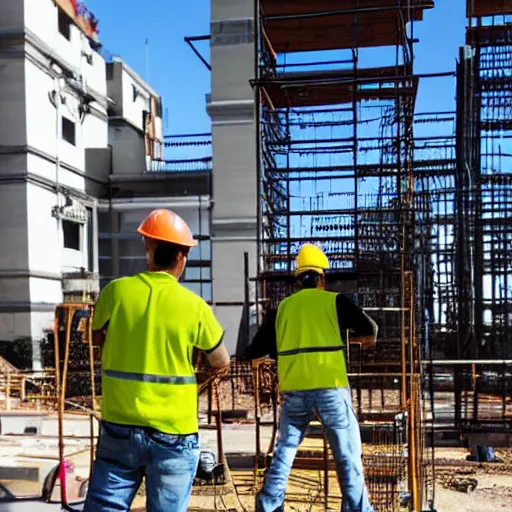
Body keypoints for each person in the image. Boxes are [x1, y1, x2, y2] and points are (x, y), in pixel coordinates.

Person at [84, 209, 230, 512]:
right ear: (181, 257)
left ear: (148, 248)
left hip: (119, 427)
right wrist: (195, 378)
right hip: (174, 434)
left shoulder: (115, 292)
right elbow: (221, 362)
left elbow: (95, 339)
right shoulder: (195, 307)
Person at [247, 243, 378, 512]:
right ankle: (357, 508)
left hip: (294, 388)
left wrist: (277, 350)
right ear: (322, 277)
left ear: (297, 281)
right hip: (330, 387)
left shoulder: (281, 309)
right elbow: (370, 329)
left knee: (285, 450)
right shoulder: (334, 301)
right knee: (346, 455)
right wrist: (358, 340)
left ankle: (269, 505)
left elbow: (255, 351)